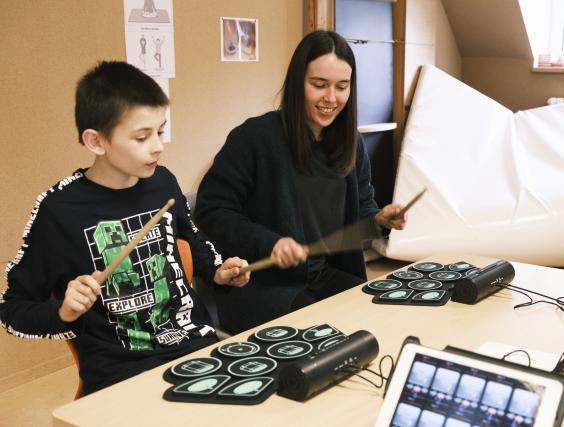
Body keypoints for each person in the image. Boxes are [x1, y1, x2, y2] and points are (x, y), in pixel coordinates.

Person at [0, 61, 250, 395]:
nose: (158, 146)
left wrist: (218, 271)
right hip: (122, 375)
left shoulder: (162, 181)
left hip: (194, 350)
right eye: (142, 137)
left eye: (160, 131)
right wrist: (63, 310)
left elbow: (192, 239)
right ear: (96, 141)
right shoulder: (59, 210)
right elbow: (12, 310)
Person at [195, 30, 406, 335]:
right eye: (319, 85)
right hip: (266, 290)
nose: (331, 98)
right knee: (331, 335)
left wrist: (380, 220)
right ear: (298, 82)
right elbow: (211, 211)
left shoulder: (351, 144)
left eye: (342, 87)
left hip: (326, 275)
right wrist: (271, 243)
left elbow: (362, 214)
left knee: (382, 317)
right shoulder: (255, 138)